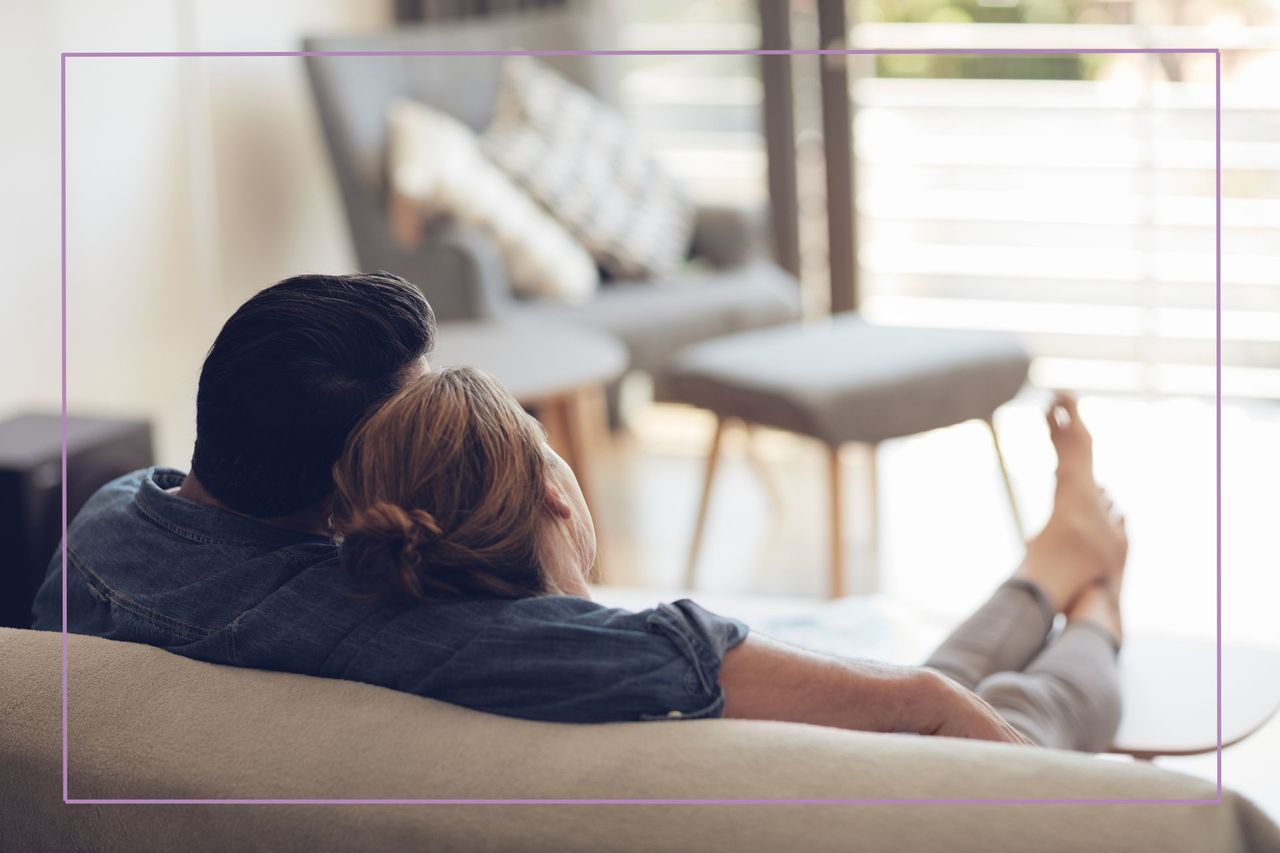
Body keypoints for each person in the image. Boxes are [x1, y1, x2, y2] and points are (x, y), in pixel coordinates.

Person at [32, 268, 1125, 751]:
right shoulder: (436, 637)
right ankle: (1088, 597)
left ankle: (1044, 566)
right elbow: (919, 712)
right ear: (345, 497)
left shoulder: (105, 530)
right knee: (993, 707)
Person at [329, 366, 1127, 750]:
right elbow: (944, 717)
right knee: (1027, 706)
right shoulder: (664, 668)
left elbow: (918, 695)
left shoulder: (387, 660)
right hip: (885, 802)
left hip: (865, 764)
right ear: (554, 493)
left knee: (929, 682)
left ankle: (1050, 566)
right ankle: (1097, 599)